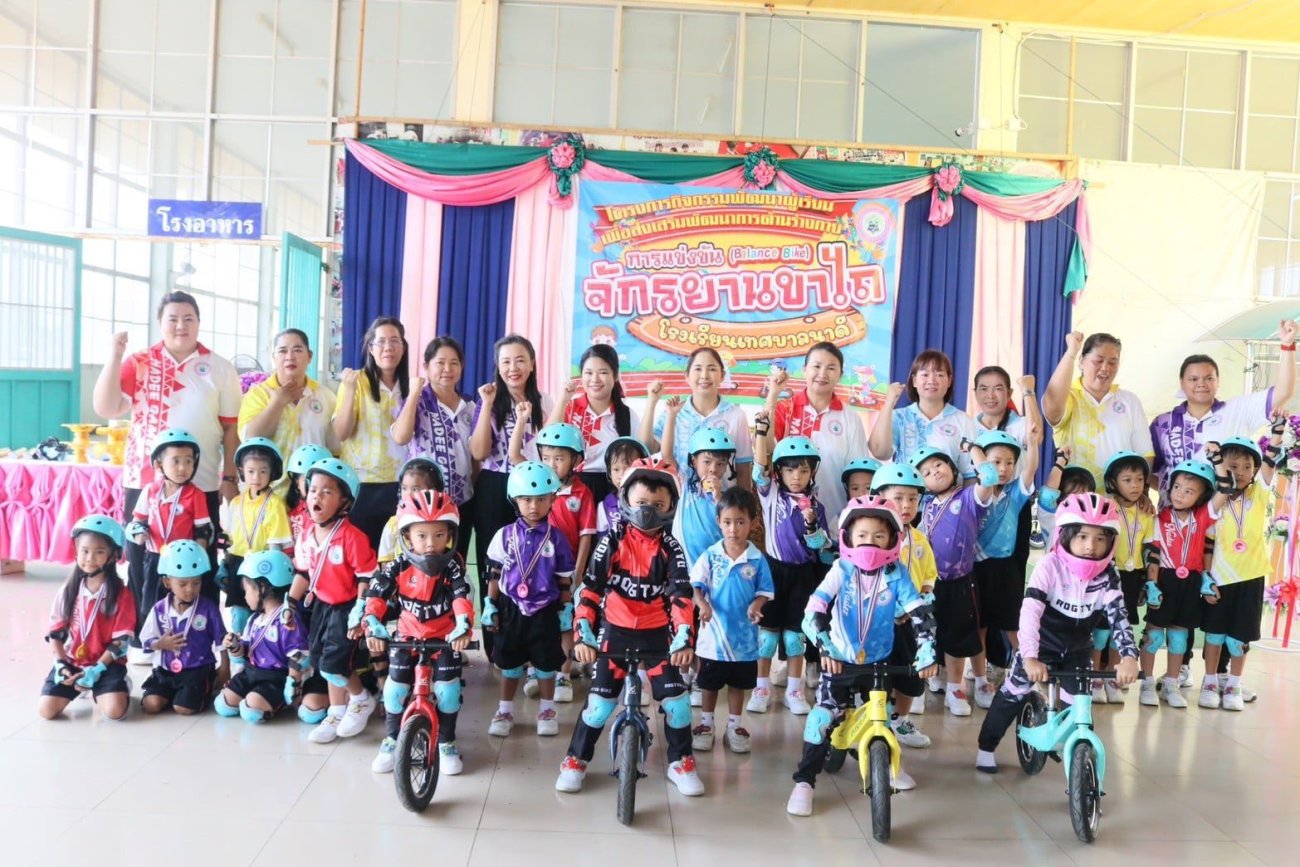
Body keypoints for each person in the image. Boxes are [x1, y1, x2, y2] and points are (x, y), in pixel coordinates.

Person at [555, 457, 705, 797]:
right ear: (625, 500)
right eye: (641, 502)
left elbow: (681, 599)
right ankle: (575, 760)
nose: (648, 511)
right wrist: (583, 635)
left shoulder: (672, 549)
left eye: (658, 505)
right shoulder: (611, 541)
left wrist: (684, 639)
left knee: (678, 705)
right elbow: (589, 591)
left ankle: (681, 761)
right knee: (598, 707)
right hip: (615, 633)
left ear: (671, 507)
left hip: (658, 637)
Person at [786, 496, 939, 815]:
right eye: (862, 535)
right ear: (848, 538)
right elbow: (814, 609)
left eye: (879, 536)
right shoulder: (841, 569)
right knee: (821, 718)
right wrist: (825, 647)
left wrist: (927, 650)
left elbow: (920, 611)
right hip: (838, 658)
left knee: (883, 714)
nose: (870, 542)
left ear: (893, 539)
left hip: (879, 660)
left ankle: (890, 765)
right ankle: (804, 782)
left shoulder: (896, 573)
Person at [92, 290, 241, 597]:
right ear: (160, 323)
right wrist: (115, 356)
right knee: (143, 565)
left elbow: (230, 429)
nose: (180, 326)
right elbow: (106, 407)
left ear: (199, 322)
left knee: (199, 563)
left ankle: (200, 623)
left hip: (201, 483)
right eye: (172, 319)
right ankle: (144, 624)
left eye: (188, 319)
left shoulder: (220, 367)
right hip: (145, 483)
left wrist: (229, 478)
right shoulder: (139, 362)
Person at [975, 494, 1139, 773]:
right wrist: (1029, 657)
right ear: (1066, 536)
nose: (1091, 546)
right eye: (1083, 536)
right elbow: (1029, 613)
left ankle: (1078, 754)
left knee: (1080, 706)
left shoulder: (1109, 573)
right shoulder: (1049, 566)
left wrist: (1129, 657)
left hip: (1078, 647)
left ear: (1111, 542)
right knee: (1012, 693)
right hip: (1040, 645)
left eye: (1100, 538)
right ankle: (986, 747)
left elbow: (1118, 616)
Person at [363, 490, 474, 775]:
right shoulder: (397, 566)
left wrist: (463, 626)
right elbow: (375, 596)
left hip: (443, 638)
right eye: (421, 535)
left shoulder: (453, 566)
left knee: (448, 691)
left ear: (450, 536)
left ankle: (446, 741)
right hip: (407, 636)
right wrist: (372, 624)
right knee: (394, 689)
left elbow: (461, 598)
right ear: (407, 537)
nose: (431, 544)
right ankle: (391, 739)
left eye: (439, 535)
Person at [470, 334, 552, 652]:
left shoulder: (544, 402)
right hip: (495, 487)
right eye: (505, 362)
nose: (513, 367)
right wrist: (487, 404)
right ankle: (496, 645)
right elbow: (479, 452)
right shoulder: (489, 400)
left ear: (532, 364)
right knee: (495, 562)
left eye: (520, 360)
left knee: (532, 562)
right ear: (497, 366)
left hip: (534, 491)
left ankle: (530, 644)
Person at [1148, 322, 1296, 495]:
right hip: (1173, 512)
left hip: (1225, 510)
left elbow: (1283, 392)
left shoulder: (1237, 410)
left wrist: (1287, 345)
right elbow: (1147, 472)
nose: (1201, 384)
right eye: (1193, 379)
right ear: (1181, 382)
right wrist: (1171, 496)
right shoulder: (1163, 423)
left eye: (1209, 378)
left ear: (1218, 381)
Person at [289, 458, 379, 743]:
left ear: (344, 502)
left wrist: (361, 610)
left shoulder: (352, 537)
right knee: (320, 660)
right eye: (313, 490)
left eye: (327, 492)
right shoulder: (307, 534)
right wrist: (290, 602)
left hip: (347, 607)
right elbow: (304, 572)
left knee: (335, 663)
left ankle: (361, 698)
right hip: (322, 606)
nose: (317, 496)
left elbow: (366, 576)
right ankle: (337, 712)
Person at [482, 461, 574, 738]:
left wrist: (566, 608)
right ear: (515, 500)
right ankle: (505, 710)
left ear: (552, 500)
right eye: (526, 500)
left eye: (541, 499)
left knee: (545, 665)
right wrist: (490, 605)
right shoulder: (504, 536)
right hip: (510, 607)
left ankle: (547, 710)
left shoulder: (557, 539)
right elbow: (494, 574)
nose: (534, 506)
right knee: (509, 665)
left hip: (545, 609)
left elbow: (564, 580)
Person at [748, 430, 833, 717]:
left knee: (795, 638)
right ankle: (761, 688)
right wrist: (762, 433)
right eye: (789, 469)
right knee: (767, 639)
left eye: (803, 470)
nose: (796, 476)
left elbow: (821, 547)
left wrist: (812, 525)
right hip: (773, 571)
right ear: (779, 472)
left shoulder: (817, 506)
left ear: (812, 473)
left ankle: (794, 691)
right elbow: (759, 471)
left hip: (803, 575)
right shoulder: (772, 495)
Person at [1199, 428, 1281, 711]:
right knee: (1214, 634)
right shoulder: (1215, 500)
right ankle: (1210, 682)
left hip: (1251, 577)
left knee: (1238, 638)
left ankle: (1234, 683)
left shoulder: (1259, 494)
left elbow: (1270, 464)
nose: (1242, 472)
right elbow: (1207, 544)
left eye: (1248, 467)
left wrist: (1277, 433)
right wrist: (1206, 578)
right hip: (1220, 578)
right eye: (1234, 466)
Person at [913, 443, 998, 715]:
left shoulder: (969, 497)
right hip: (929, 582)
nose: (935, 472)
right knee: (928, 631)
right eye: (926, 472)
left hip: (960, 581)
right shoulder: (925, 504)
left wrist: (971, 448)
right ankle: (924, 683)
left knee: (958, 635)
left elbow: (990, 477)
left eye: (939, 465)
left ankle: (955, 689)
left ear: (952, 467)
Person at [515, 422, 596, 704]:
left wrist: (578, 572)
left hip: (566, 572)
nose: (551, 464)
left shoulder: (582, 493)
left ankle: (563, 675)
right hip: (538, 572)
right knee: (536, 620)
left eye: (559, 458)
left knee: (565, 622)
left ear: (576, 460)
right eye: (546, 458)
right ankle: (536, 671)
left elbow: (586, 535)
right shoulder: (537, 491)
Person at [689, 487, 774, 754]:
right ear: (718, 522)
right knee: (709, 684)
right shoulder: (710, 555)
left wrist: (757, 605)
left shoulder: (758, 560)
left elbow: (765, 591)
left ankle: (734, 726)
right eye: (727, 522)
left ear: (753, 523)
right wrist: (702, 604)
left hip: (744, 641)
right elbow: (696, 588)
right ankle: (706, 724)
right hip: (713, 639)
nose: (733, 529)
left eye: (740, 522)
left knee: (739, 684)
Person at [125, 429, 213, 662]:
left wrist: (198, 556)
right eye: (175, 461)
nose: (183, 468)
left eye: (188, 461)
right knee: (151, 603)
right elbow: (138, 521)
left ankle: (182, 645)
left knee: (180, 603)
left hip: (181, 564)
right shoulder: (150, 491)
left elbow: (204, 531)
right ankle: (152, 645)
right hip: (154, 558)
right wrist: (138, 533)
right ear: (158, 464)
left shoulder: (195, 495)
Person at [764, 344, 875, 529]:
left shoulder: (850, 418)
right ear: (804, 370)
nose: (822, 374)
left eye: (831, 368)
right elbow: (767, 449)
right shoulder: (785, 409)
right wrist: (772, 396)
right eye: (816, 366)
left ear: (840, 374)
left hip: (836, 523)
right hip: (787, 525)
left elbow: (858, 477)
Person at [38, 516, 136, 722]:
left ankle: (119, 686)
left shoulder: (122, 594)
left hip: (106, 664)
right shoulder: (68, 590)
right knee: (46, 711)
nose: (90, 558)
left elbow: (121, 642)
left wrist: (97, 669)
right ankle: (81, 686)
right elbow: (55, 634)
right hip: (72, 662)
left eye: (99, 552)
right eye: (84, 551)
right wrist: (60, 665)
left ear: (114, 555)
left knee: (115, 712)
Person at [970, 415, 1042, 697]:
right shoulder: (976, 493)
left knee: (1014, 625)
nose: (1003, 468)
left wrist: (1032, 444)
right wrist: (975, 450)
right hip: (977, 569)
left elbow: (1031, 468)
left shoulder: (1017, 493)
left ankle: (1030, 670)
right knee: (980, 626)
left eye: (1009, 462)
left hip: (1007, 570)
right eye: (996, 461)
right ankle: (980, 678)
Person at [391, 336, 477, 563]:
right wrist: (414, 393)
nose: (447, 369)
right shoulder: (418, 401)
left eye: (454, 363)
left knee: (456, 563)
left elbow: (476, 456)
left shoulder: (470, 406)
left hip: (461, 501)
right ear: (426, 366)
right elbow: (400, 437)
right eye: (440, 363)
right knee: (421, 565)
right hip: (421, 503)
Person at [1139, 460, 1216, 709]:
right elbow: (1153, 554)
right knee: (1152, 635)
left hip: (1191, 582)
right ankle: (1147, 682)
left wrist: (1217, 462)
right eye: (1177, 487)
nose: (1180, 494)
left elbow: (1222, 496)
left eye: (1189, 491)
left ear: (1201, 497)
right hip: (1165, 580)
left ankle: (1171, 684)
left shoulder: (1202, 517)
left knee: (1179, 638)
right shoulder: (1159, 518)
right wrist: (1152, 584)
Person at [871, 462, 939, 742]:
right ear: (880, 497)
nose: (906, 505)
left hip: (911, 620)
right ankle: (876, 719)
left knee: (910, 673)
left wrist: (924, 596)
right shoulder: (874, 537)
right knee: (877, 672)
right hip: (877, 620)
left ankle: (901, 720)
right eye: (898, 498)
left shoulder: (920, 539)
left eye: (913, 498)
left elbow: (929, 574)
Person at [334, 317, 411, 550]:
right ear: (371, 348)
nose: (388, 347)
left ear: (403, 347)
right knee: (362, 556)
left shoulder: (411, 387)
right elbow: (341, 432)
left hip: (401, 484)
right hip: (361, 484)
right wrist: (349, 391)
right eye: (381, 342)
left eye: (395, 341)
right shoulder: (355, 382)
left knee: (394, 556)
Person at [1041, 331, 1153, 483]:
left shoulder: (1130, 400)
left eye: (1112, 362)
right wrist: (1071, 352)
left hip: (1118, 497)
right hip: (1076, 495)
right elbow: (1052, 406)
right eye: (1098, 361)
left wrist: (1143, 490)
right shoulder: (1069, 397)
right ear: (1081, 361)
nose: (1105, 368)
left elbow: (1145, 453)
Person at [1091, 451, 1156, 704]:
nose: (1135, 485)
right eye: (1127, 480)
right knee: (1100, 631)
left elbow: (1149, 550)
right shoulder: (1105, 508)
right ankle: (1095, 678)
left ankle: (1112, 677)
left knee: (1122, 629)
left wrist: (1149, 582)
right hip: (1107, 575)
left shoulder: (1147, 513)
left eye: (1139, 480)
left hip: (1131, 577)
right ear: (1112, 482)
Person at [215, 551, 309, 724]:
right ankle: (255, 697)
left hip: (275, 678)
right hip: (251, 673)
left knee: (251, 711)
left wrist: (293, 684)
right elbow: (245, 652)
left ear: (262, 588)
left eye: (246, 590)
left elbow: (299, 655)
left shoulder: (287, 619)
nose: (244, 596)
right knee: (223, 705)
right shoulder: (254, 619)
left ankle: (274, 702)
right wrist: (234, 646)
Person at [641, 347, 753, 488]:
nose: (704, 375)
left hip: (723, 500)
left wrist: (743, 502)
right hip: (681, 499)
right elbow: (647, 448)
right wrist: (651, 402)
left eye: (712, 369)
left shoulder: (736, 415)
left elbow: (743, 468)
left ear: (722, 375)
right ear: (687, 376)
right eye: (698, 369)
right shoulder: (673, 413)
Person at [140, 540, 228, 715]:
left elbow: (221, 639)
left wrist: (225, 667)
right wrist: (160, 644)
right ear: (167, 582)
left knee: (184, 708)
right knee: (151, 705)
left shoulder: (208, 608)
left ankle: (198, 688)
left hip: (197, 670)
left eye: (196, 583)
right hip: (165, 671)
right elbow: (145, 639)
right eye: (182, 584)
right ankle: (176, 693)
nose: (190, 589)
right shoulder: (159, 609)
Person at [549, 343, 642, 503]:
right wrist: (563, 400)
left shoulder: (628, 416)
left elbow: (640, 456)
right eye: (589, 373)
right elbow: (547, 441)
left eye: (603, 372)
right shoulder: (569, 408)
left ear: (615, 375)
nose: (595, 379)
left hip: (613, 491)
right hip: (570, 489)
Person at [869, 352, 980, 482]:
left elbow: (970, 474)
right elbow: (879, 452)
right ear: (914, 381)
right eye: (925, 375)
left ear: (949, 381)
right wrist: (889, 403)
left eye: (939, 375)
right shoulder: (899, 417)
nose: (932, 381)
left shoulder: (963, 420)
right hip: (905, 493)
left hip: (950, 495)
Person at [219, 437, 292, 634]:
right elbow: (231, 538)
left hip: (264, 567)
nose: (256, 477)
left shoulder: (275, 504)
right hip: (238, 564)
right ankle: (238, 650)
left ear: (272, 473)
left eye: (263, 471)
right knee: (239, 613)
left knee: (263, 613)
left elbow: (276, 546)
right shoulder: (236, 503)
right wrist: (226, 562)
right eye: (251, 471)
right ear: (241, 471)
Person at [238, 328, 339, 469]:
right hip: (271, 481)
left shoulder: (326, 396)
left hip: (312, 481)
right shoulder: (258, 394)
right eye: (282, 351)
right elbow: (251, 439)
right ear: (274, 357)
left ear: (310, 356)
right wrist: (277, 403)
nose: (290, 357)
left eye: (297, 350)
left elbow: (335, 447)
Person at [665, 421, 738, 567]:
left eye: (720, 464)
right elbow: (666, 455)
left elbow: (732, 526)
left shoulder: (727, 498)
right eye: (707, 462)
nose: (713, 469)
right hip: (683, 567)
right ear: (694, 461)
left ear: (726, 467)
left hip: (714, 567)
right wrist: (671, 417)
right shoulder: (684, 485)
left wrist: (718, 497)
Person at [377, 457, 446, 565]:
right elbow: (385, 561)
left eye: (415, 489)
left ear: (433, 491)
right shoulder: (394, 524)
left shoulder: (442, 523)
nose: (408, 494)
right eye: (404, 488)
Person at [598, 436, 650, 536]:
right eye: (616, 469)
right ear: (609, 472)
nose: (621, 475)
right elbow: (601, 538)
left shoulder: (648, 503)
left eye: (627, 469)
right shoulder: (604, 506)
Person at [285, 443, 333, 542]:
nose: (312, 486)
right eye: (307, 480)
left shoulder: (333, 513)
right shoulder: (292, 516)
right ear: (297, 483)